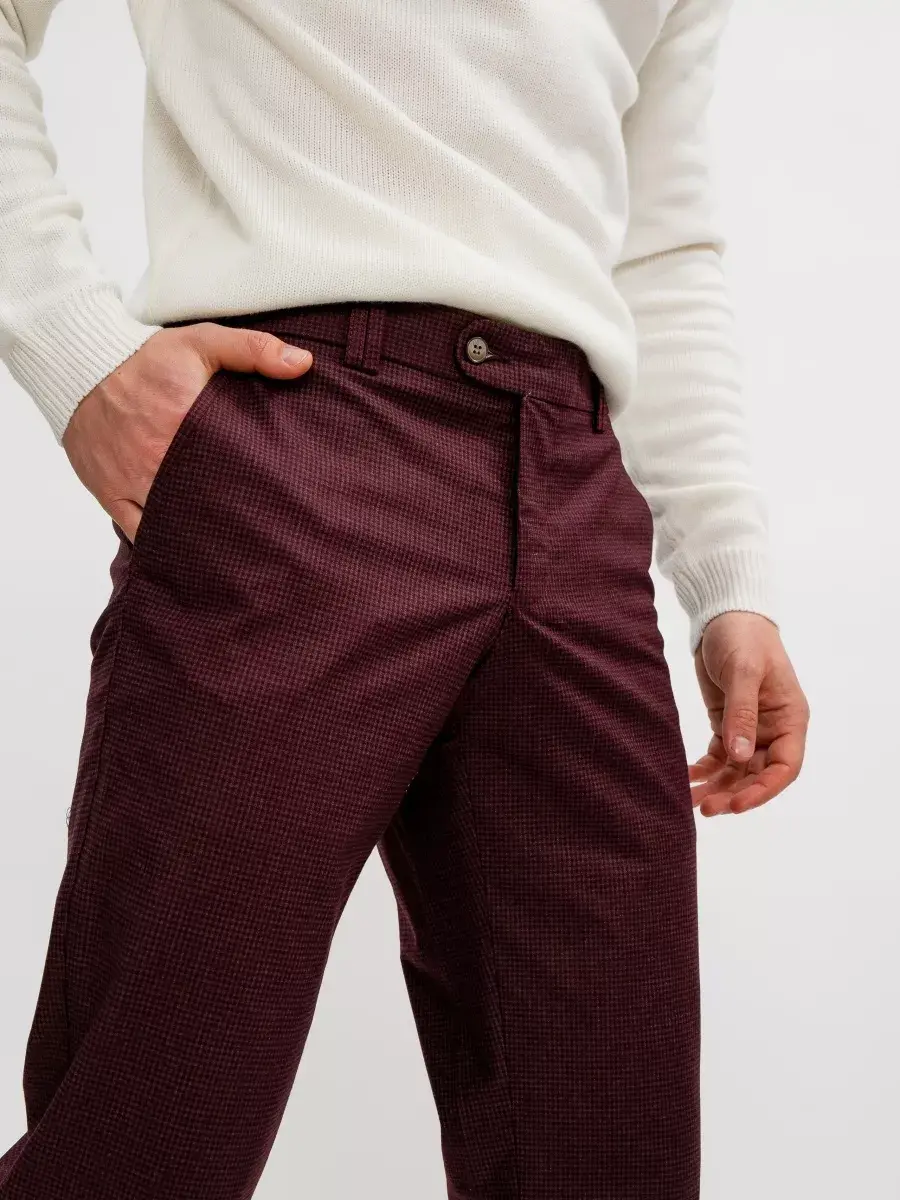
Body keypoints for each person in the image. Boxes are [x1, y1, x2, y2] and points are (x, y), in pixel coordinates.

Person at [0, 0, 809, 1196]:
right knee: (145, 1136)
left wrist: (728, 574)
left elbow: (656, 238)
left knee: (603, 1149)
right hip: (296, 442)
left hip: (578, 490)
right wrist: (74, 349)